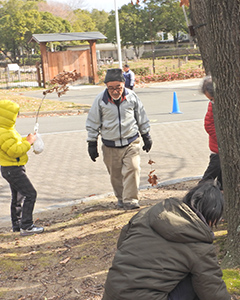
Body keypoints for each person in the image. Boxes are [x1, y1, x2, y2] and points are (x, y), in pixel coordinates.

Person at [102, 181, 231, 300]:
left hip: (112, 292)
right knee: (196, 280)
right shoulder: (199, 244)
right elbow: (212, 290)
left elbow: (122, 243)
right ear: (211, 216)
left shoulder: (146, 214)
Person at [86, 68, 152, 209]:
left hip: (131, 141)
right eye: (111, 88)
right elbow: (93, 122)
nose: (115, 91)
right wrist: (92, 143)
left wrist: (146, 136)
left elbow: (141, 116)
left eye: (118, 87)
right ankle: (121, 198)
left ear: (124, 84)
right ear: (106, 87)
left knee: (133, 168)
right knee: (116, 176)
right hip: (110, 145)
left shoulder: (132, 97)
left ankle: (131, 200)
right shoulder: (100, 101)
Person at [0, 100, 44, 236]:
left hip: (11, 168)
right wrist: (29, 143)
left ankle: (17, 225)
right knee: (31, 194)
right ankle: (26, 226)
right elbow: (14, 151)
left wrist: (26, 139)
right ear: (9, 116)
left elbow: (14, 144)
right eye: (15, 115)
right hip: (13, 169)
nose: (17, 117)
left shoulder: (7, 130)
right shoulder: (4, 132)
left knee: (18, 196)